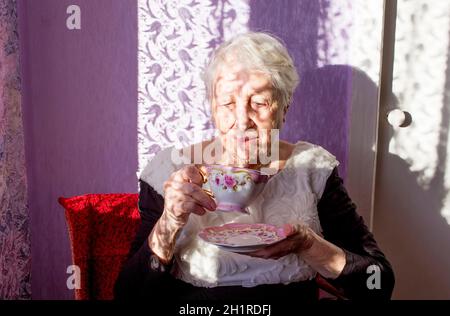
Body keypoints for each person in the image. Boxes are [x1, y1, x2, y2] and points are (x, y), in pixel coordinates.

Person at [114, 32, 395, 301]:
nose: (242, 119)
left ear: (284, 108)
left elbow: (377, 283)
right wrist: (170, 222)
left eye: (259, 103)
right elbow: (128, 295)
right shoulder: (171, 170)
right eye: (227, 103)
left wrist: (309, 245)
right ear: (212, 107)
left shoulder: (312, 169)